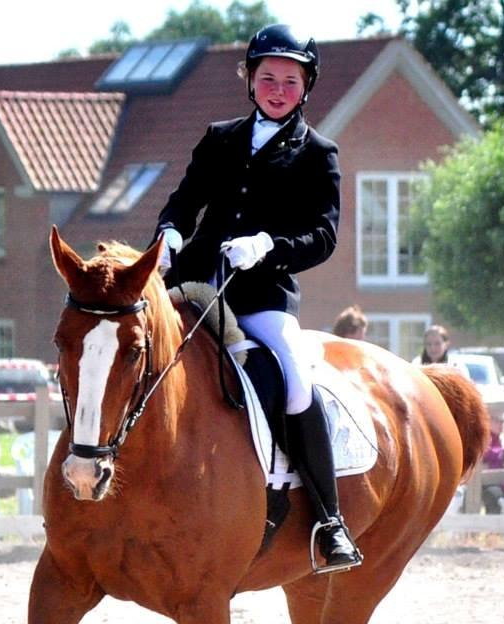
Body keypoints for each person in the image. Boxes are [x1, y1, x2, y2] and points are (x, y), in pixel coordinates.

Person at [152, 23, 360, 573]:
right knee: (135, 347)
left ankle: (327, 519)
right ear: (250, 80)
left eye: (289, 80)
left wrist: (270, 247)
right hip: (194, 282)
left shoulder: (319, 153)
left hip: (263, 296)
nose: (277, 88)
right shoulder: (219, 138)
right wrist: (170, 232)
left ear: (305, 87)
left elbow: (324, 236)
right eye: (267, 77)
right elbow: (184, 200)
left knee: (295, 379)